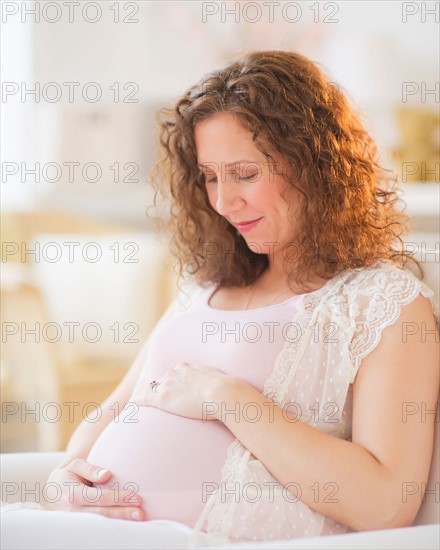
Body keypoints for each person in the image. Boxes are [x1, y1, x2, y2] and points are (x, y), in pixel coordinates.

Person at [4, 50, 439, 549]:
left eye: (245, 174)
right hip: (90, 530)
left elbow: (386, 501)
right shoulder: (205, 285)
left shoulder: (382, 300)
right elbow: (110, 412)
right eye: (211, 176)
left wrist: (227, 399)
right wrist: (64, 481)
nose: (223, 202)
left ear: (316, 165)